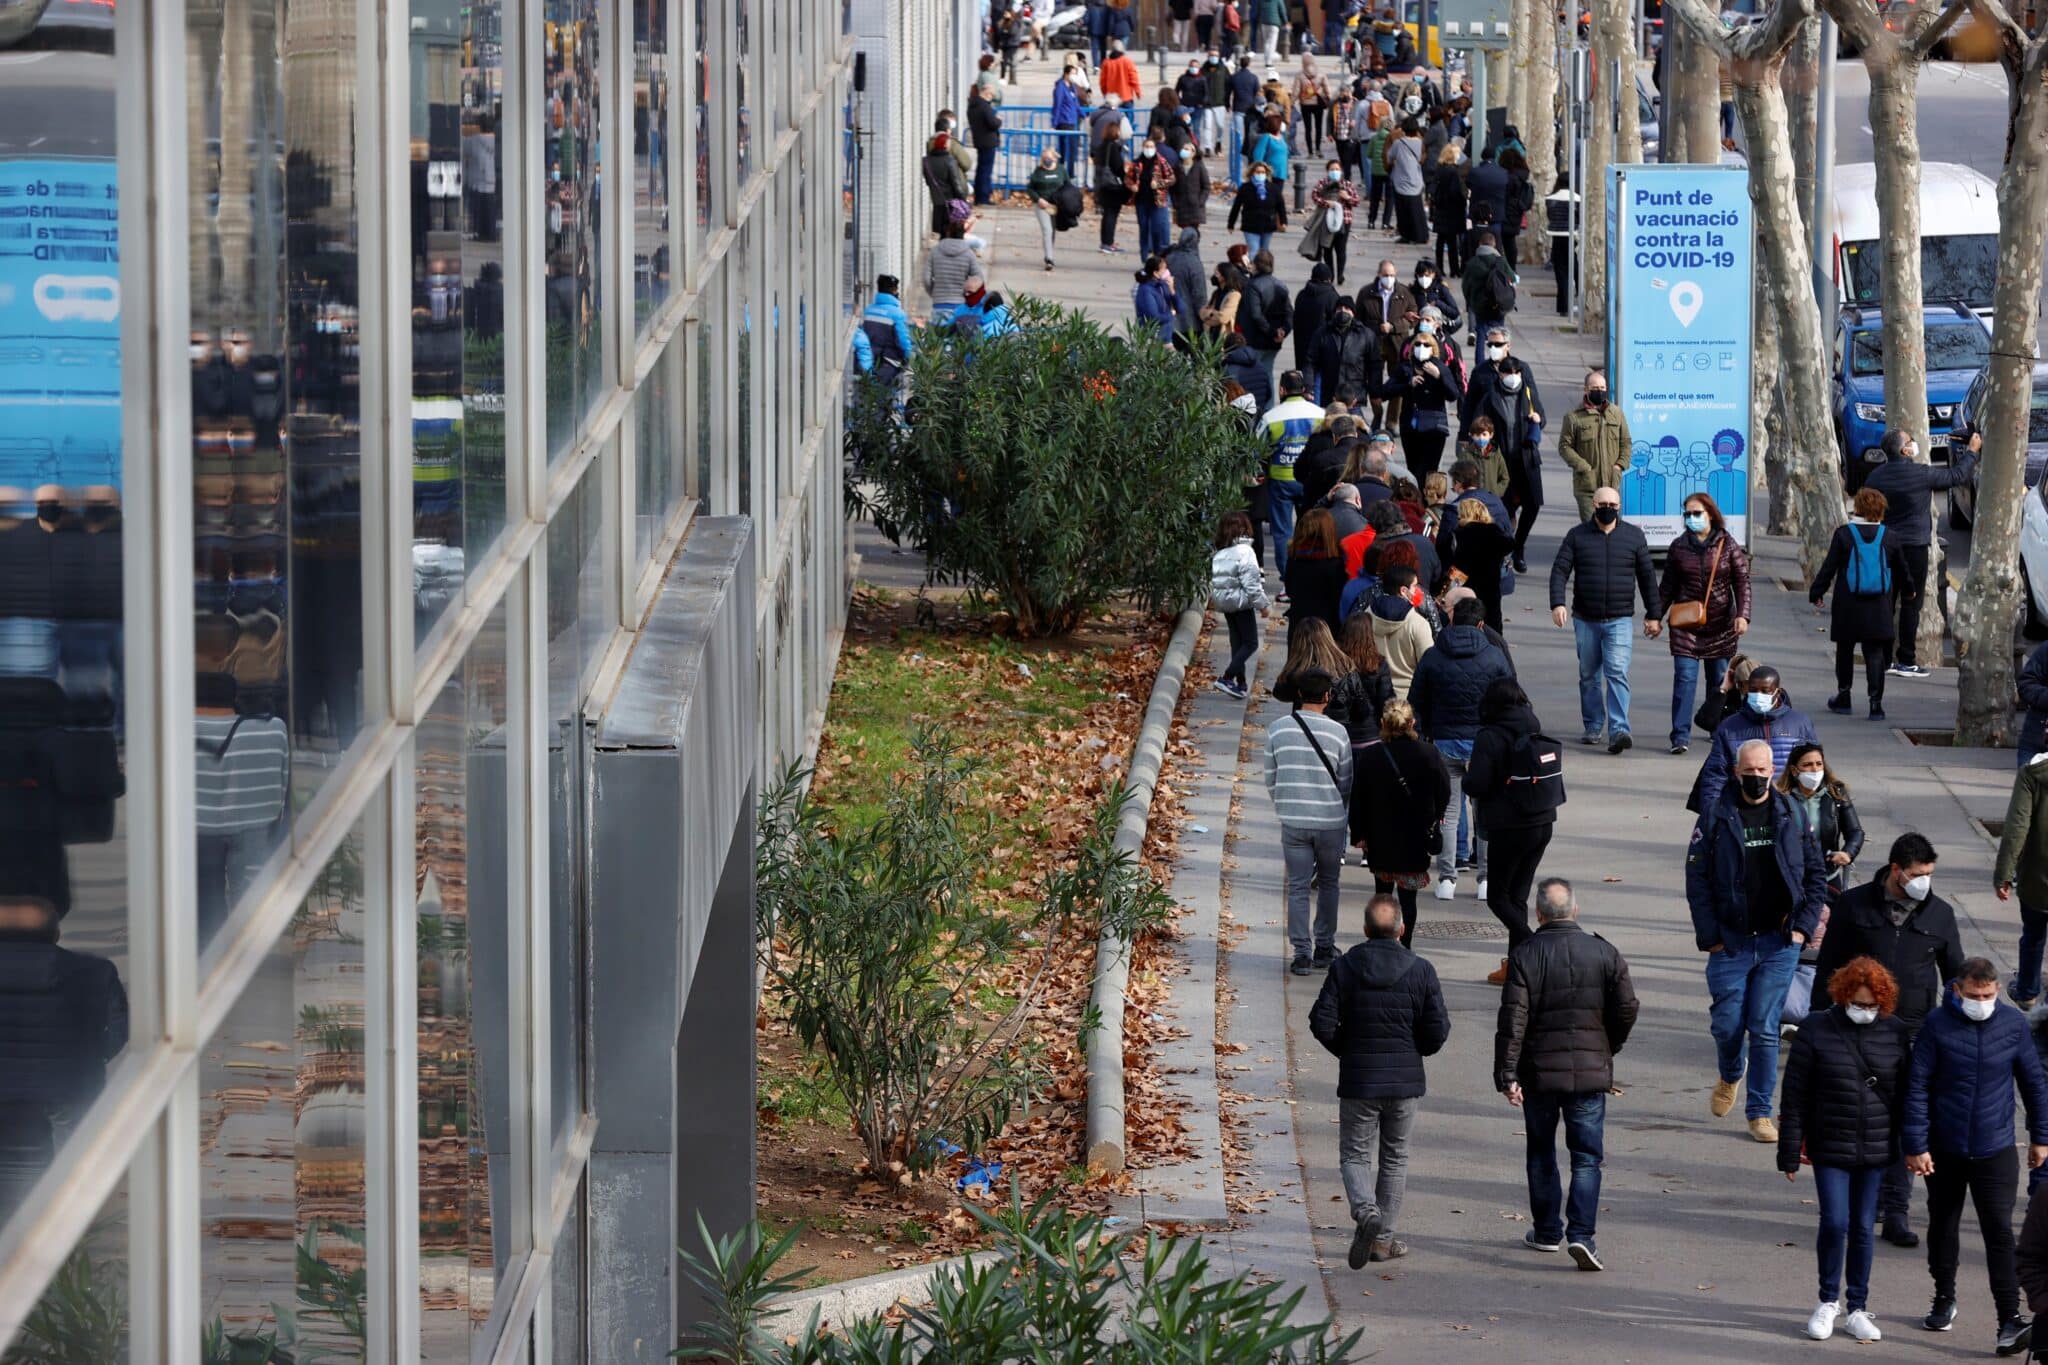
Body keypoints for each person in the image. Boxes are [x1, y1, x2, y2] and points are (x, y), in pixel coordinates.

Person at [1814, 831, 1965, 1247]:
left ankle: (1895, 1208)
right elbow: (1829, 968)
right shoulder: (1854, 906)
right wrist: (1816, 1029)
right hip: (1859, 1030)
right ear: (1897, 871)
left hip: (1915, 1034)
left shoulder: (1940, 915)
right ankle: (1865, 1198)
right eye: (1919, 874)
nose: (1925, 882)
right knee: (1861, 1115)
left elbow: (1954, 975)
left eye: (1930, 874)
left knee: (1905, 1120)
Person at [1686, 736, 1828, 1143]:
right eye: (1748, 771)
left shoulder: (1792, 815)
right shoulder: (1714, 815)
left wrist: (1802, 929)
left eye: (1762, 771)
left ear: (1773, 772)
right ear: (1736, 772)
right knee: (1728, 1025)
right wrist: (1710, 937)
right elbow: (1696, 878)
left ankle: (1760, 1112)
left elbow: (1815, 876)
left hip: (1778, 942)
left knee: (1765, 1027)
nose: (1755, 778)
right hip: (1729, 943)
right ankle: (1731, 1071)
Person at [1903, 958, 2048, 1353]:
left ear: (1997, 991)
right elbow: (1917, 1086)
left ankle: (2008, 1319)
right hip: (1945, 1148)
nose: (1980, 1002)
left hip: (1995, 1147)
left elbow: (2034, 1082)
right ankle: (1944, 1297)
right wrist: (1915, 1145)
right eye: (1973, 995)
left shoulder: (2013, 1025)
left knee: (2000, 1232)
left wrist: (2041, 1137)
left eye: (1987, 995)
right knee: (1943, 1225)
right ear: (1956, 991)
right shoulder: (1937, 1025)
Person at [1496, 878, 1639, 1272]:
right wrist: (1608, 1046)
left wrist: (1507, 1074)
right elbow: (1627, 1007)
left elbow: (1513, 1020)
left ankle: (1546, 1232)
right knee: (1587, 1157)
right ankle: (1582, 1235)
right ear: (1575, 911)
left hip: (1539, 1074)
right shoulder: (1605, 952)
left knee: (1541, 1153)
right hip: (1590, 1075)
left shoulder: (1525, 955)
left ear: (1538, 915)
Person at [1311, 891, 1451, 1267]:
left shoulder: (1345, 967)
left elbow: (1321, 1021)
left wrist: (1348, 1050)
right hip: (1405, 1082)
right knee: (1395, 1157)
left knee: (1355, 1154)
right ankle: (1383, 1239)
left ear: (1364, 929)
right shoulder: (1421, 969)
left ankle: (1364, 1211)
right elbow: (1437, 1030)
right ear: (1402, 929)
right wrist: (1414, 1050)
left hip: (1360, 1080)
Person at [1777, 956, 1913, 1344]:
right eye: (1859, 1002)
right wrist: (1789, 1152)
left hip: (1877, 1146)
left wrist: (1914, 1147)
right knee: (1835, 1222)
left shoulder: (1896, 1033)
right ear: (1843, 996)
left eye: (1872, 1005)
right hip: (1830, 1144)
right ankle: (1826, 1300)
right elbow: (1795, 1093)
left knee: (1864, 1227)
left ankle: (1857, 1306)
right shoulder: (1817, 1028)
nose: (1865, 1011)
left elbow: (1907, 1095)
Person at [1409, 595, 1513, 904]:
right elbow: (1508, 697)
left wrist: (1426, 730)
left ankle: (1447, 879)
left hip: (1444, 741)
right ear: (1481, 623)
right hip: (1484, 745)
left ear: (1452, 620)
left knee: (1449, 813)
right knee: (1484, 813)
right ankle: (1485, 879)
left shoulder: (1433, 655)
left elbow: (1417, 699)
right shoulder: (1494, 656)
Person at [1464, 678, 1562, 981]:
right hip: (1543, 821)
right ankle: (1517, 967)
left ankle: (1536, 946)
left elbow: (1477, 784)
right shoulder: (1533, 727)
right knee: (1517, 898)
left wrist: (1467, 777)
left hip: (1510, 827)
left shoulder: (1490, 737)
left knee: (1497, 897)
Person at [1862, 427, 1979, 678]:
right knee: (1910, 603)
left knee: (1885, 602)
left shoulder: (1876, 478)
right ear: (1905, 450)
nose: (1914, 443)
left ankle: (1883, 659)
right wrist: (1972, 452)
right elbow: (1957, 476)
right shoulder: (1921, 474)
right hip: (1914, 547)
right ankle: (1906, 659)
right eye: (1910, 441)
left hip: (1884, 546)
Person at [1550, 488, 1660, 753]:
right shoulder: (1577, 536)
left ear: (1619, 507)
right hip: (1585, 618)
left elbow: (1647, 577)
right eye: (1603, 503)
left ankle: (1619, 729)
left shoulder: (1633, 536)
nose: (1608, 507)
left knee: (1617, 672)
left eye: (1613, 504)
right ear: (1594, 505)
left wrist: (1654, 614)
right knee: (1588, 674)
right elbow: (1560, 570)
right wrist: (1558, 603)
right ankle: (1593, 724)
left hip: (1620, 619)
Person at [1264, 667, 1354, 974]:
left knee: (1298, 886)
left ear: (1299, 695)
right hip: (1330, 821)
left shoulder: (1278, 729)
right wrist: (1337, 808)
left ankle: (1301, 952)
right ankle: (1324, 946)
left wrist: (1284, 805)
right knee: (1329, 884)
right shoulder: (1338, 733)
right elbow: (1346, 780)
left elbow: (1270, 777)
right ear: (1327, 697)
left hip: (1294, 820)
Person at [1350, 700, 1452, 943]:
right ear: (1412, 723)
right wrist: (1436, 815)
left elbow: (1358, 798)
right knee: (1408, 900)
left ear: (1383, 723)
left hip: (1381, 835)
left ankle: (1379, 939)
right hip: (1415, 836)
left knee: (1382, 895)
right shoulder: (1428, 753)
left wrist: (1359, 833)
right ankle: (1405, 946)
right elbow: (1444, 790)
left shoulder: (1371, 755)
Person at [1660, 491, 1752, 756]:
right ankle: (1680, 735)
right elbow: (1667, 586)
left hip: (1721, 625)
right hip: (1686, 624)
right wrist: (1654, 616)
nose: (1691, 518)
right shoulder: (1679, 547)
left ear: (1710, 514)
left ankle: (1718, 729)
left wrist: (1742, 615)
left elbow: (1742, 581)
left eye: (1696, 513)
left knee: (1719, 681)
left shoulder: (1728, 544)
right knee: (1684, 679)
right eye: (1687, 514)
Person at [1778, 742, 1864, 1025]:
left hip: (1827, 878)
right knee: (1790, 936)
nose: (1814, 770)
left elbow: (1855, 832)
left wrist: (1847, 852)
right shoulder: (1782, 799)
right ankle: (1788, 1003)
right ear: (1794, 770)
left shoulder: (1836, 795)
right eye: (1807, 765)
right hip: (1791, 880)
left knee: (1820, 936)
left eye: (1818, 764)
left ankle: (1812, 1005)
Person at [1809, 485, 1909, 721]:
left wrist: (1817, 592)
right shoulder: (1890, 537)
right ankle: (1876, 705)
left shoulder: (1844, 534)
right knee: (1874, 653)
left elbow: (1829, 567)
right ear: (1881, 510)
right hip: (1879, 606)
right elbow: (1902, 570)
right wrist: (1910, 591)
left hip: (1848, 604)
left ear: (1858, 508)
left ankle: (1844, 697)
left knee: (1844, 650)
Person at [1695, 663, 1821, 813]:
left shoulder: (1800, 723)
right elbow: (1715, 774)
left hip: (1790, 809)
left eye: (1765, 691)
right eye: (1753, 691)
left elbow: (1815, 768)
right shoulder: (1730, 727)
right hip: (1743, 809)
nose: (1758, 695)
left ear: (1777, 692)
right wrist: (1711, 812)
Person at [1463, 351, 1543, 571]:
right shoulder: (1491, 397)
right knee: (1503, 508)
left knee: (1533, 505)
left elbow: (1541, 417)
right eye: (1508, 372)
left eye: (1517, 372)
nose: (1513, 375)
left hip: (1527, 459)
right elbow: (1478, 423)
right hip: (1500, 460)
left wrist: (1537, 420)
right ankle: (1506, 553)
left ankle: (1519, 545)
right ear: (1500, 374)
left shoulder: (1527, 393)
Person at [1258, 369, 1324, 581]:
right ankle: (1309, 575)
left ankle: (1288, 577)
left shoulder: (1270, 418)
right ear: (1304, 390)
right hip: (1310, 480)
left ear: (1282, 390)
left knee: (1282, 533)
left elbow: (1255, 450)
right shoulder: (1320, 414)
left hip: (1280, 482)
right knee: (1312, 530)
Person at [1999, 753, 2048, 1010]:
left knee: (2033, 935)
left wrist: (2004, 873)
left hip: (2037, 879)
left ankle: (2027, 991)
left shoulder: (2032, 772)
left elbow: (2016, 828)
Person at [1383, 329, 1462, 478]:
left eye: (1427, 345)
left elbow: (1453, 394)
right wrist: (1408, 384)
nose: (1422, 347)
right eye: (1418, 344)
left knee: (1428, 470)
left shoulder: (1440, 367)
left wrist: (1439, 377)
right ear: (1412, 348)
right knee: (1413, 469)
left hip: (1434, 427)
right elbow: (1385, 391)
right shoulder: (1405, 367)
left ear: (1433, 349)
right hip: (1410, 426)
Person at [1556, 371, 1629, 523]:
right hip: (1587, 485)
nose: (1600, 391)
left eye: (1603, 388)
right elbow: (1564, 446)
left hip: (1611, 484)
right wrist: (1583, 467)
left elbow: (1626, 442)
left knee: (1610, 526)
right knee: (1591, 527)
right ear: (1586, 390)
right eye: (1595, 388)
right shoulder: (1573, 417)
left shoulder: (1616, 413)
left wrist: (1619, 465)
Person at [1210, 510, 1268, 699]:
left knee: (1237, 642)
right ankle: (1227, 676)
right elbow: (1251, 584)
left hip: (1225, 602)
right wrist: (1263, 605)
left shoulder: (1220, 552)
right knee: (1251, 643)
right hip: (1242, 602)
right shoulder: (1246, 551)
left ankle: (1240, 683)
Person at [1332, 610, 1396, 753]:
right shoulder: (1379, 664)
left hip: (1338, 733)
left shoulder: (1334, 662)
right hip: (1369, 734)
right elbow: (1386, 701)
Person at [1450, 496, 1515, 633]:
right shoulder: (1495, 534)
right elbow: (1510, 545)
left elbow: (1458, 570)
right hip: (1491, 591)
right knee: (1493, 630)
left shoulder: (1461, 535)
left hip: (1467, 593)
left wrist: (1444, 593)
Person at [1367, 563, 1434, 693]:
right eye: (1415, 586)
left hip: (1375, 695)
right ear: (1404, 591)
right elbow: (1428, 666)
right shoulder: (1418, 624)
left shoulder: (1366, 616)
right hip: (1408, 698)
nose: (1418, 590)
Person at [1283, 507, 1349, 639]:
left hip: (1299, 625)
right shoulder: (1335, 563)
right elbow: (1339, 597)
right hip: (1327, 627)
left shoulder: (1294, 559)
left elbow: (1289, 590)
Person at [1240, 249, 1294, 394]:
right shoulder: (1280, 285)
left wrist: (1272, 332)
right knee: (1267, 372)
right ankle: (1267, 406)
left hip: (1257, 338)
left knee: (1252, 376)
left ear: (1257, 265)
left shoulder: (1253, 286)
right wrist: (1283, 331)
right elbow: (1289, 312)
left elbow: (1255, 315)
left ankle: (1255, 408)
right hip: (1274, 340)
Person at [1123, 133, 1179, 259]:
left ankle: (1158, 255)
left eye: (1151, 146)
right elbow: (1128, 178)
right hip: (1141, 200)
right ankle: (1144, 255)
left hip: (1157, 200)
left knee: (1157, 228)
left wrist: (1159, 184)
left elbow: (1171, 178)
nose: (1149, 149)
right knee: (1143, 227)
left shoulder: (1161, 162)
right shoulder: (1137, 163)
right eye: (1147, 146)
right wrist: (1132, 186)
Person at [850, 273, 915, 383]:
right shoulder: (898, 314)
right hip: (889, 364)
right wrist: (912, 360)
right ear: (894, 290)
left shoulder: (868, 310)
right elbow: (904, 342)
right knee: (888, 395)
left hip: (868, 362)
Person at [1309, 161, 1361, 285]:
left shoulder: (1347, 184)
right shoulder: (1323, 183)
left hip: (1344, 220)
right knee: (1327, 248)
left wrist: (1347, 197)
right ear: (1328, 171)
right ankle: (1330, 275)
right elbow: (1314, 196)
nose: (1335, 172)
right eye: (1332, 169)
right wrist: (1326, 203)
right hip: (1326, 220)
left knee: (1341, 248)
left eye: (1337, 169)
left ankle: (1340, 274)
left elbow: (1356, 201)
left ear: (1341, 170)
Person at [922, 219, 981, 326]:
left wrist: (934, 292)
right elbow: (978, 279)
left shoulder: (935, 251)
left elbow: (926, 278)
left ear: (948, 233)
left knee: (940, 339)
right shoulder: (969, 254)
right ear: (964, 234)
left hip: (939, 304)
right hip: (961, 305)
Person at [1461, 230, 1518, 339]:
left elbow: (1465, 285)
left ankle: (1478, 351)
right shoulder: (1501, 261)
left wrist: (1470, 300)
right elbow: (1513, 278)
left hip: (1479, 303)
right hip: (1498, 301)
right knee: (1499, 332)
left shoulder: (1472, 262)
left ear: (1480, 244)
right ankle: (1499, 349)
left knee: (1481, 334)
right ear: (1494, 245)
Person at [1227, 159, 1288, 257]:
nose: (1260, 174)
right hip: (1250, 225)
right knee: (1253, 251)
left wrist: (1283, 221)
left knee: (1264, 252)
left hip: (1268, 225)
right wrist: (1231, 224)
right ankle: (1252, 271)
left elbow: (1280, 206)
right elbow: (1236, 207)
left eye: (1263, 172)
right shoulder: (1245, 188)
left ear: (1267, 173)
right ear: (1252, 173)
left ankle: (1263, 271)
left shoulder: (1273, 188)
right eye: (1258, 172)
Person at [1293, 262, 1343, 379]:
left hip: (1302, 349)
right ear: (1329, 279)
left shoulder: (1302, 295)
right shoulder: (1332, 297)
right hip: (1323, 352)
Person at [1027, 150, 1072, 271]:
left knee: (1052, 231)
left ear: (1054, 159)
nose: (1046, 160)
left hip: (1057, 205)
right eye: (1044, 158)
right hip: (1042, 205)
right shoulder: (1038, 171)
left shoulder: (1061, 170)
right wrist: (1038, 199)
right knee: (1047, 229)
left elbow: (1068, 185)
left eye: (1048, 158)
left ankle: (1049, 250)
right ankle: (1049, 258)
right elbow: (1030, 188)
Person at [1094, 111, 1131, 254]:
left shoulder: (1101, 146)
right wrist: (1125, 176)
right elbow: (1118, 167)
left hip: (1102, 184)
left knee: (1106, 214)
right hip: (1112, 185)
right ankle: (1108, 242)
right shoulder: (1113, 148)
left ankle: (1105, 241)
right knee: (1111, 214)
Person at [921, 129, 972, 234]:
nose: (949, 145)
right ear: (944, 144)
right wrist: (963, 198)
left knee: (940, 229)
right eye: (948, 143)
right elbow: (956, 183)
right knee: (951, 228)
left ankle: (943, 246)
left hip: (937, 199)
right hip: (951, 200)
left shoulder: (926, 161)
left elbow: (927, 180)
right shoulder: (950, 160)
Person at [1387, 117, 1428, 243]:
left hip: (1400, 181)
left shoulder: (1398, 143)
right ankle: (1421, 235)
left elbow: (1389, 157)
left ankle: (1406, 235)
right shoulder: (1420, 143)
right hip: (1416, 180)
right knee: (1417, 210)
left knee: (1402, 210)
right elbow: (1422, 158)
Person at [967, 85, 1003, 206]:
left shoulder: (972, 105)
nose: (991, 97)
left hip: (979, 140)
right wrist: (999, 120)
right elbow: (993, 123)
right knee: (985, 171)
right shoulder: (984, 106)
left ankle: (981, 196)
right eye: (991, 95)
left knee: (981, 170)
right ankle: (983, 198)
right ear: (986, 93)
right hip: (988, 141)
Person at [1052, 63, 1090, 177]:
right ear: (1066, 74)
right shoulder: (1060, 87)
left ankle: (1070, 172)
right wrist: (1054, 123)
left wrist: (1084, 116)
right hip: (1064, 121)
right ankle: (1062, 171)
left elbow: (1076, 105)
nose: (1074, 76)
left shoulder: (1072, 87)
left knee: (1072, 148)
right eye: (1072, 74)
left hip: (1072, 121)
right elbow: (1057, 105)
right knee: (1064, 148)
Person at [1170, 141, 1211, 241]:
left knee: (1193, 231)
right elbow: (1173, 187)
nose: (1184, 151)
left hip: (1195, 206)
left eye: (1187, 149)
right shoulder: (1177, 168)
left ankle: (1192, 249)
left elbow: (1206, 186)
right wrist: (1175, 202)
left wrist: (1200, 201)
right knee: (1185, 230)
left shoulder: (1199, 167)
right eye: (1183, 149)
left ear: (1193, 153)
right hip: (1182, 206)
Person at [1132, 254, 1179, 342]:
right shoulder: (1145, 290)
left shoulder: (1163, 285)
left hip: (1163, 332)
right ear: (1155, 273)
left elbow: (1180, 306)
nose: (1167, 271)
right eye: (1164, 269)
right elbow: (1153, 316)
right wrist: (1171, 314)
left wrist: (1172, 290)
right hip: (1151, 334)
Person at [1294, 55, 1333, 157]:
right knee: (1319, 127)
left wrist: (1291, 103)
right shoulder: (1321, 73)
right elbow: (1327, 88)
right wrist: (1330, 100)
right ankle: (1318, 149)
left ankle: (1310, 152)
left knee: (1308, 128)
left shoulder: (1299, 75)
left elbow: (1296, 91)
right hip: (1318, 104)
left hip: (1305, 104)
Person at [1099, 38, 1143, 105]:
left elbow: (1103, 81)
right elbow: (1134, 79)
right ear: (1122, 49)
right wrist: (1138, 93)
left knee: (1113, 115)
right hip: (1126, 96)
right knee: (1129, 114)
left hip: (1112, 98)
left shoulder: (1106, 63)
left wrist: (1105, 93)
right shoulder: (1127, 61)